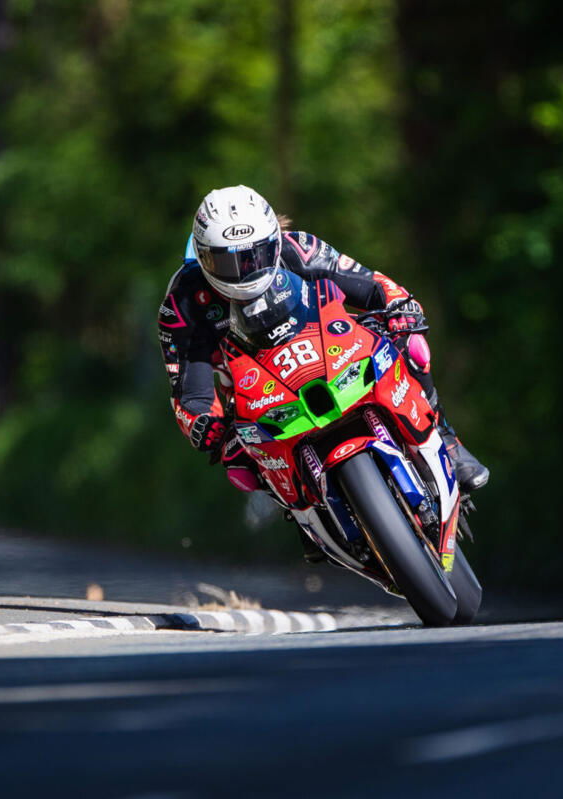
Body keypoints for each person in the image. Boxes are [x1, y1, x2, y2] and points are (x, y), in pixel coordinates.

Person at [157, 185, 488, 550]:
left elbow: (371, 284)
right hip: (255, 389)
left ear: (273, 242)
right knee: (236, 458)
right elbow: (188, 391)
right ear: (203, 258)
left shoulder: (298, 247)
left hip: (330, 348)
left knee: (411, 346)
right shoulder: (182, 303)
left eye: (254, 256)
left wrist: (400, 308)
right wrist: (206, 425)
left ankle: (446, 439)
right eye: (227, 262)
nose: (243, 271)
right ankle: (303, 513)